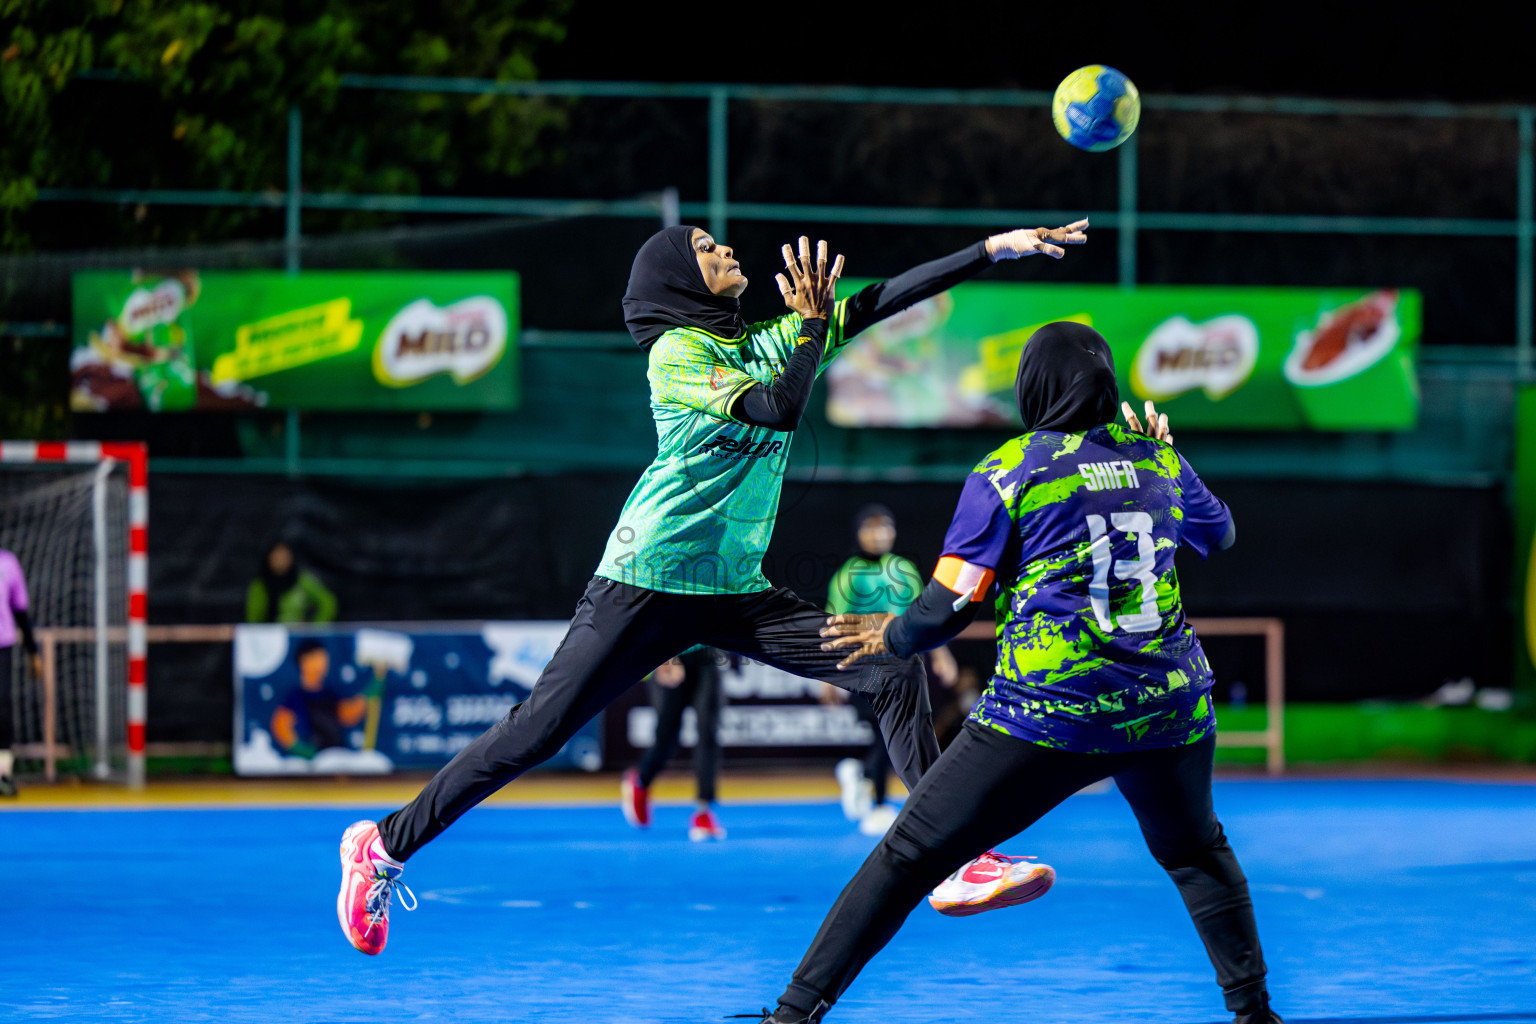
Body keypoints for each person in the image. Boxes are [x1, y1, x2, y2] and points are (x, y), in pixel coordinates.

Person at [334, 219, 1091, 956]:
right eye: (703, 246)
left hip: (733, 590)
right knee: (535, 732)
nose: (724, 247)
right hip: (646, 583)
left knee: (893, 673)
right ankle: (382, 845)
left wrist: (993, 249)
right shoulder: (677, 353)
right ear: (673, 279)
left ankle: (954, 858)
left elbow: (882, 299)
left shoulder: (765, 341)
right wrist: (809, 329)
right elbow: (780, 406)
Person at [752, 323, 1281, 1024]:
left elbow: (948, 610)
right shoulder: (1159, 463)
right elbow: (1220, 535)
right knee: (1195, 853)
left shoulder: (1010, 469)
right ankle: (1255, 1014)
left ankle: (791, 1014)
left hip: (1049, 711)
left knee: (908, 852)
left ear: (1035, 386)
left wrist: (893, 632)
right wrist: (1172, 459)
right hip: (1169, 709)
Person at [824, 504, 958, 835]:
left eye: (885, 527)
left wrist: (942, 655)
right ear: (858, 533)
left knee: (896, 732)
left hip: (906, 662)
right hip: (866, 665)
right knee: (886, 733)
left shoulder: (903, 569)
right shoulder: (848, 573)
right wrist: (829, 676)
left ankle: (865, 779)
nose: (878, 533)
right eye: (870, 527)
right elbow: (836, 625)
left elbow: (921, 616)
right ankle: (879, 802)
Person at [621, 646, 727, 841]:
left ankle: (703, 812)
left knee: (708, 732)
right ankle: (642, 780)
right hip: (671, 652)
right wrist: (664, 658)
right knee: (667, 739)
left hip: (705, 656)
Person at [271, 640, 373, 758]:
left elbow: (346, 714)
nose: (322, 663)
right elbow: (280, 725)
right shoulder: (296, 696)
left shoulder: (329, 693)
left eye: (324, 659)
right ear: (303, 661)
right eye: (316, 658)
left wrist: (366, 696)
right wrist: (300, 748)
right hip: (315, 760)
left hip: (336, 755)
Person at [0, 547, 42, 797]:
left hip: (1, 646)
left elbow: (20, 611)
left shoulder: (8, 563)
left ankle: (3, 774)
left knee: (1, 709)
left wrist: (33, 651)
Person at [247, 541, 337, 625]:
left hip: (296, 637)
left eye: (284, 557)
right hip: (270, 637)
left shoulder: (301, 580)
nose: (280, 561)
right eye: (276, 558)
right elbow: (253, 618)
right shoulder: (260, 585)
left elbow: (328, 602)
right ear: (268, 559)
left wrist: (313, 628)